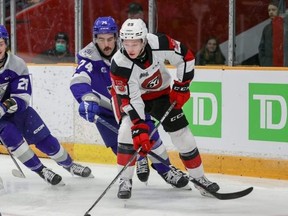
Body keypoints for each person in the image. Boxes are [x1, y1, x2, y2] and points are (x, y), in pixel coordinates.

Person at [70, 16, 189, 191]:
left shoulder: (129, 50)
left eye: (110, 39)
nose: (106, 44)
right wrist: (86, 99)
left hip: (131, 104)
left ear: (117, 37)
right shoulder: (89, 59)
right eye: (101, 40)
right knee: (120, 145)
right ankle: (133, 170)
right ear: (94, 39)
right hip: (105, 110)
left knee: (151, 137)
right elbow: (78, 81)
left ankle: (166, 171)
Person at [110, 18, 220, 199]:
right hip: (135, 99)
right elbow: (131, 99)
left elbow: (185, 57)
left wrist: (182, 85)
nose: (130, 48)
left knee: (183, 135)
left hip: (161, 94)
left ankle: (200, 179)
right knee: (125, 132)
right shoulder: (119, 64)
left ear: (144, 40)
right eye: (126, 43)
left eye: (135, 43)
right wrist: (139, 127)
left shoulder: (159, 43)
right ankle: (125, 180)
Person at [0, 24, 92, 186]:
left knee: (45, 140)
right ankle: (42, 171)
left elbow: (22, 97)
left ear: (6, 44)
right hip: (2, 121)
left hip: (18, 112)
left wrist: (3, 107)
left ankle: (70, 166)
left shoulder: (16, 64)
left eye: (0, 43)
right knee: (11, 137)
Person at [258, 1, 280, 66]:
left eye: (273, 10)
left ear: (279, 11)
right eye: (269, 10)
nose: (271, 12)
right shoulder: (266, 29)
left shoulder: (286, 28)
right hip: (268, 66)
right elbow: (261, 48)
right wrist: (264, 62)